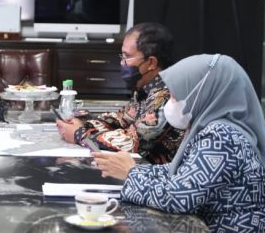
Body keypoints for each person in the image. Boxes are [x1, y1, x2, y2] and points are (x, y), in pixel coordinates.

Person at [93, 54, 265, 232]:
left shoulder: (223, 137)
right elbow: (179, 171)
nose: (170, 102)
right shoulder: (215, 128)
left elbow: (179, 198)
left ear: (203, 94)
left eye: (176, 96)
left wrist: (131, 173)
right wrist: (132, 169)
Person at [55, 22, 185, 164]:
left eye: (127, 57)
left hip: (156, 174)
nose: (122, 63)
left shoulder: (167, 97)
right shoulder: (147, 89)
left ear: (151, 63)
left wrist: (79, 134)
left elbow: (132, 142)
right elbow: (121, 119)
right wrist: (85, 123)